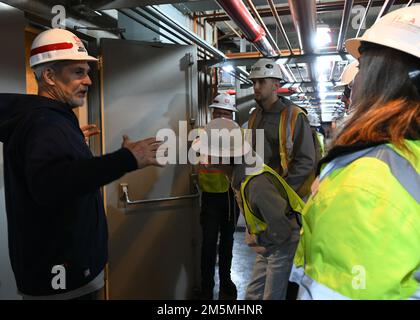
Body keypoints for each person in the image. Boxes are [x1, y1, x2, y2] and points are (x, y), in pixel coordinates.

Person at [0, 28, 162, 299]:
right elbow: (51, 185)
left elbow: (55, 170)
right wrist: (126, 159)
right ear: (49, 76)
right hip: (61, 278)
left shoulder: (53, 120)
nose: (88, 80)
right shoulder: (45, 124)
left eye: (87, 72)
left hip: (66, 271)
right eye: (78, 72)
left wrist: (71, 144)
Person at [297, 6, 420, 299]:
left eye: (361, 67)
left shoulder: (365, 182)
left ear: (382, 76)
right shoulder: (409, 156)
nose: (353, 85)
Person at [192, 118, 304, 300]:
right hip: (271, 243)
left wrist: (258, 239)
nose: (203, 157)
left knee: (272, 297)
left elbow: (282, 229)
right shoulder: (239, 177)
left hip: (284, 243)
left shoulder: (256, 184)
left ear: (225, 155)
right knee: (253, 296)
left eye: (207, 152)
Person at [248, 58, 316, 199]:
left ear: (276, 85)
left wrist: (282, 192)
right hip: (259, 191)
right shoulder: (255, 116)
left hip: (286, 195)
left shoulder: (294, 115)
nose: (256, 87)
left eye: (262, 82)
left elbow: (305, 160)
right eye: (254, 82)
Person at [198, 93, 239, 300]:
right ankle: (207, 287)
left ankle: (226, 280)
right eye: (219, 113)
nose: (223, 118)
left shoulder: (238, 135)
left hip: (232, 197)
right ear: (212, 114)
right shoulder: (203, 134)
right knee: (209, 242)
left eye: (226, 114)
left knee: (227, 241)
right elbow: (202, 158)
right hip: (210, 197)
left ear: (232, 115)